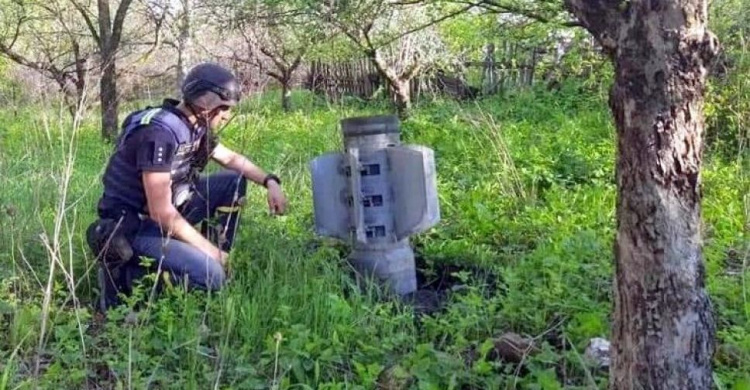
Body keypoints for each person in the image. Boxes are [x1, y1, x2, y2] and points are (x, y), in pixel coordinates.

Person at [87, 62, 287, 311]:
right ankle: (130, 277)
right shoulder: (158, 133)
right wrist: (212, 254)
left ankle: (207, 254)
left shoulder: (193, 126)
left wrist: (270, 181)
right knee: (213, 277)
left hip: (171, 211)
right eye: (223, 108)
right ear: (206, 105)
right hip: (137, 227)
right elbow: (161, 212)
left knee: (232, 182)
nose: (226, 115)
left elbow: (230, 159)